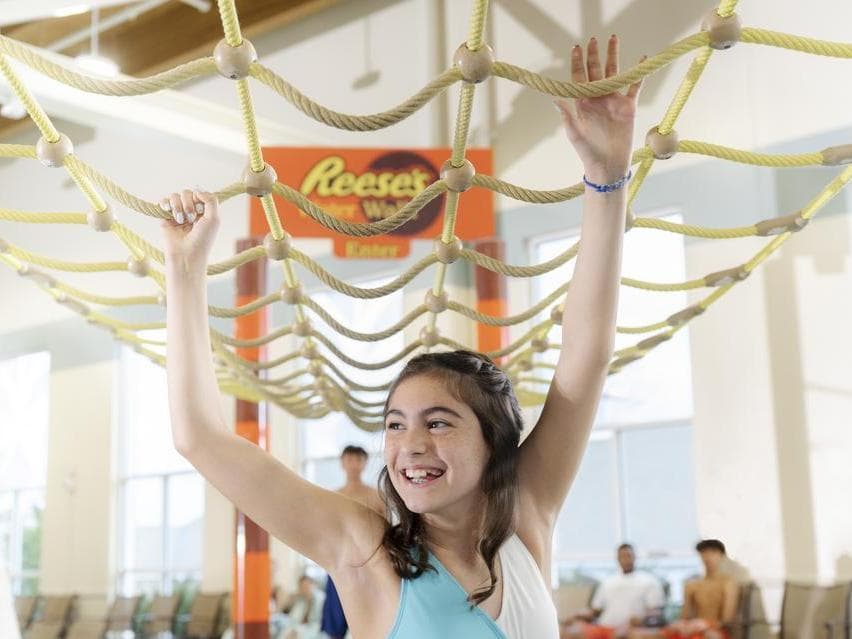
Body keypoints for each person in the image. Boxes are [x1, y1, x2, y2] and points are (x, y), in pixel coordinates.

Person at [162, 35, 640, 638]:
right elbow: (200, 438)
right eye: (395, 424)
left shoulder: (527, 516)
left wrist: (607, 178)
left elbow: (586, 357)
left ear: (492, 440)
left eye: (438, 422)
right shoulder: (363, 549)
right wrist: (184, 275)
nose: (409, 444)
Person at [321, 445, 384, 639]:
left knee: (372, 619)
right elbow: (326, 531)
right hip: (340, 562)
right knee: (336, 623)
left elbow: (387, 530)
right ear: (342, 463)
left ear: (365, 463)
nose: (353, 464)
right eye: (349, 459)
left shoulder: (376, 495)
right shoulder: (332, 496)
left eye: (358, 459)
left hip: (370, 564)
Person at [564, 544, 665, 639]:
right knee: (571, 632)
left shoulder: (649, 581)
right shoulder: (607, 582)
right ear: (618, 559)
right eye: (622, 556)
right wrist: (577, 615)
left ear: (635, 557)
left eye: (628, 556)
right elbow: (595, 610)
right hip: (603, 627)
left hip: (632, 629)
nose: (626, 560)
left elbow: (655, 611)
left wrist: (642, 620)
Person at [654, 540, 738, 639]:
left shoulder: (728, 582)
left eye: (713, 552)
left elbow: (727, 619)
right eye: (704, 553)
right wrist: (681, 625)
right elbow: (685, 616)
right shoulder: (692, 584)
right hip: (693, 627)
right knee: (659, 633)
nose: (708, 557)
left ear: (722, 556)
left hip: (715, 630)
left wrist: (704, 625)